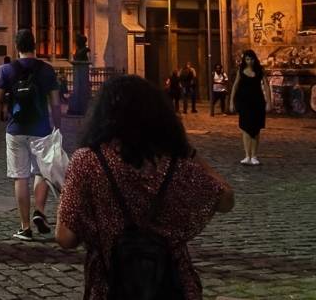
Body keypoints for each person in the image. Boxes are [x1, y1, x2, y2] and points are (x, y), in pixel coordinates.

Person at [56, 75, 235, 299]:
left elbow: (65, 238)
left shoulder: (87, 161)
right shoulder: (175, 163)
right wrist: (189, 152)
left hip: (110, 286)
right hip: (172, 285)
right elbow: (226, 199)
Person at [0, 29, 60, 241]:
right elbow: (55, 103)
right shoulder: (47, 70)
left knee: (21, 177)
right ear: (35, 46)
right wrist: (57, 126)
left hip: (16, 129)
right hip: (41, 129)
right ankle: (39, 210)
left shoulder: (7, 70)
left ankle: (25, 226)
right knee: (42, 171)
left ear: (16, 47)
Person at [229, 50, 271, 166]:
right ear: (244, 60)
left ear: (254, 59)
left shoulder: (260, 70)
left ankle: (254, 156)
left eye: (251, 59)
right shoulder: (241, 70)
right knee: (245, 129)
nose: (249, 61)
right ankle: (247, 155)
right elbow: (235, 86)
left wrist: (269, 102)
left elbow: (266, 86)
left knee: (256, 129)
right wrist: (231, 102)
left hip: (257, 102)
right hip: (244, 103)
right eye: (247, 59)